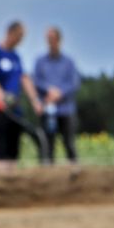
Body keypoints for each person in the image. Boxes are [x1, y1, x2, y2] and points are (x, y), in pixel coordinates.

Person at [0, 20, 44, 173]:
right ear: (10, 33)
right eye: (19, 36)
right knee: (1, 144)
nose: (21, 40)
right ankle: (2, 178)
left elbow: (24, 78)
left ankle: (12, 178)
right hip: (0, 107)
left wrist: (35, 100)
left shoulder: (16, 56)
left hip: (15, 106)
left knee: (14, 144)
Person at [33, 26, 82, 164]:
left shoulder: (69, 62)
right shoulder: (40, 61)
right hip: (47, 110)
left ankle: (75, 172)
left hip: (66, 109)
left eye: (53, 39)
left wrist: (59, 92)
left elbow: (74, 83)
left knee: (69, 143)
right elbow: (36, 81)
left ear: (59, 40)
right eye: (48, 39)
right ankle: (47, 176)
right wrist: (49, 91)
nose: (50, 42)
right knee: (47, 145)